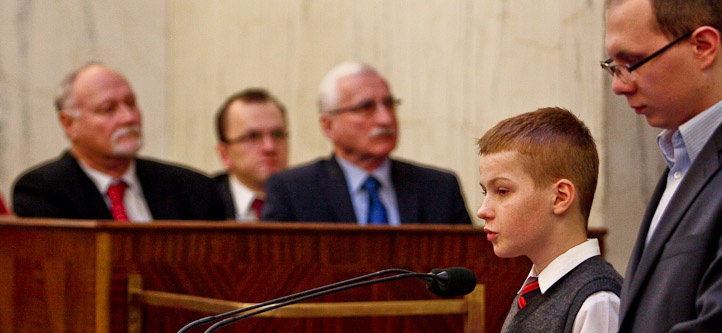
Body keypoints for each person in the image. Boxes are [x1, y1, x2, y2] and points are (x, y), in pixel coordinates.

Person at [434, 0, 722, 333]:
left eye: (632, 62)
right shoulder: (681, 159)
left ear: (704, 46)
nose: (619, 85)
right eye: (612, 66)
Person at [345, 108, 622, 333]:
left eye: (502, 191)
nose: (483, 210)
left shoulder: (595, 300)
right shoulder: (537, 291)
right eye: (485, 192)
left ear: (560, 197)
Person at [262, 61, 472, 224]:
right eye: (365, 108)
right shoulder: (293, 191)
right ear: (328, 125)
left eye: (389, 104)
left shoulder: (439, 188)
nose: (385, 119)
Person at [12, 62, 224, 221]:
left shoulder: (192, 188)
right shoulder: (42, 192)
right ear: (69, 124)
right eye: (108, 109)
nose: (128, 117)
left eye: (131, 103)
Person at [214, 88, 289, 221]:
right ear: (224, 154)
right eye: (253, 136)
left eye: (277, 134)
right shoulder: (205, 203)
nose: (270, 147)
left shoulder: (310, 199)